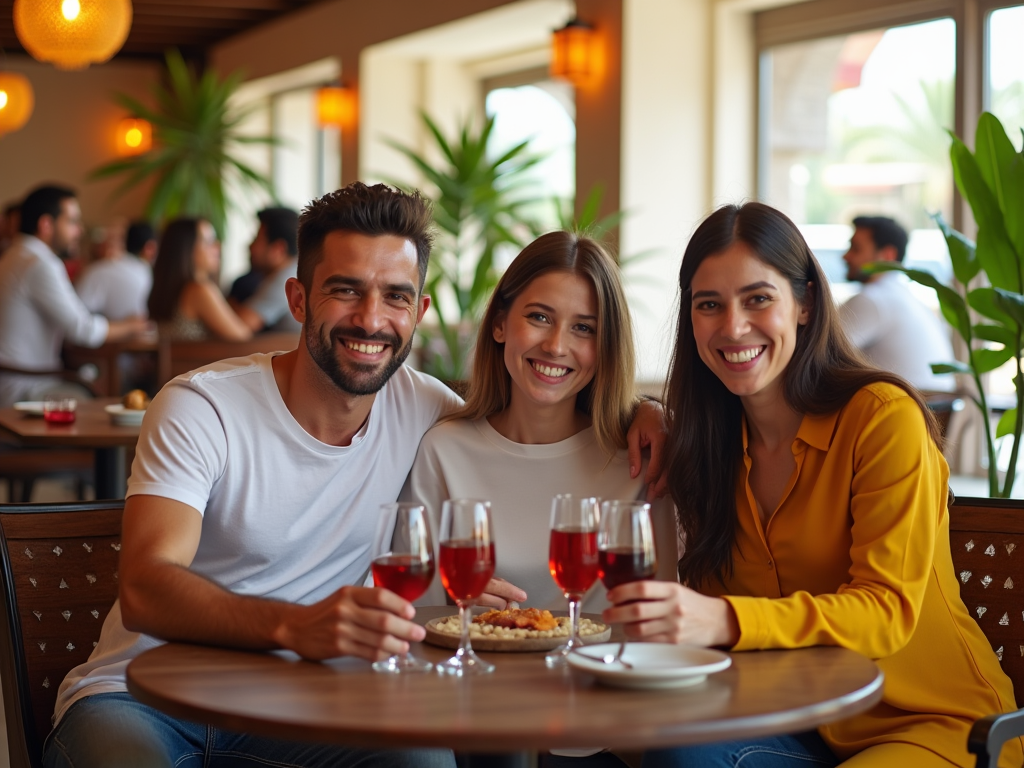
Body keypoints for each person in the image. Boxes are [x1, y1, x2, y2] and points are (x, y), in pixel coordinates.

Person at [44, 182, 669, 768]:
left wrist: (645, 411)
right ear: (297, 299)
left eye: (395, 296)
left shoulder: (429, 414)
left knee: (422, 759)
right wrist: (294, 625)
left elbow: (525, 417)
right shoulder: (202, 407)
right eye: (345, 290)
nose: (371, 320)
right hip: (143, 697)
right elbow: (148, 587)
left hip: (307, 706)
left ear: (418, 311)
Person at [603, 202, 1021, 768]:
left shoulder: (882, 418)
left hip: (934, 727)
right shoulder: (706, 446)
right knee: (635, 743)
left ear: (803, 304)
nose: (732, 326)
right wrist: (638, 410)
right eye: (709, 305)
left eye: (758, 299)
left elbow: (884, 612)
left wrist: (723, 620)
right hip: (794, 724)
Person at [408, 231, 676, 615]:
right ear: (500, 323)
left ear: (606, 346)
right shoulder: (443, 451)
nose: (555, 345)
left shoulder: (636, 458)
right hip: (479, 669)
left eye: (583, 328)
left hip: (603, 671)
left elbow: (658, 615)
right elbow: (417, 613)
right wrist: (454, 604)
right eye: (539, 317)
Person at [0, 185, 149, 407]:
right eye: (72, 222)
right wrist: (131, 325)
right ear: (46, 224)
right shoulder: (40, 264)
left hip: (14, 380)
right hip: (26, 390)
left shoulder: (14, 255)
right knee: (106, 405)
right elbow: (83, 330)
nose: (79, 231)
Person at [839, 215, 955, 392]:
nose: (846, 256)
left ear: (888, 255)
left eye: (856, 249)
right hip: (931, 412)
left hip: (897, 412)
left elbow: (815, 354)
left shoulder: (873, 299)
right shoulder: (908, 298)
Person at [147, 217, 253, 341]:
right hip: (201, 361)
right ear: (186, 249)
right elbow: (243, 338)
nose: (217, 246)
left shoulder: (170, 290)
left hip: (180, 360)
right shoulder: (198, 290)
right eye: (209, 241)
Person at [232, 206, 303, 334]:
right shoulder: (292, 270)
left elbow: (240, 328)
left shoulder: (287, 279)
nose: (250, 246)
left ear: (278, 249)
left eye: (257, 239)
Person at [76, 219, 154, 321]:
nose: (110, 247)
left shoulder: (97, 271)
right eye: (109, 238)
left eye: (117, 239)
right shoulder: (94, 270)